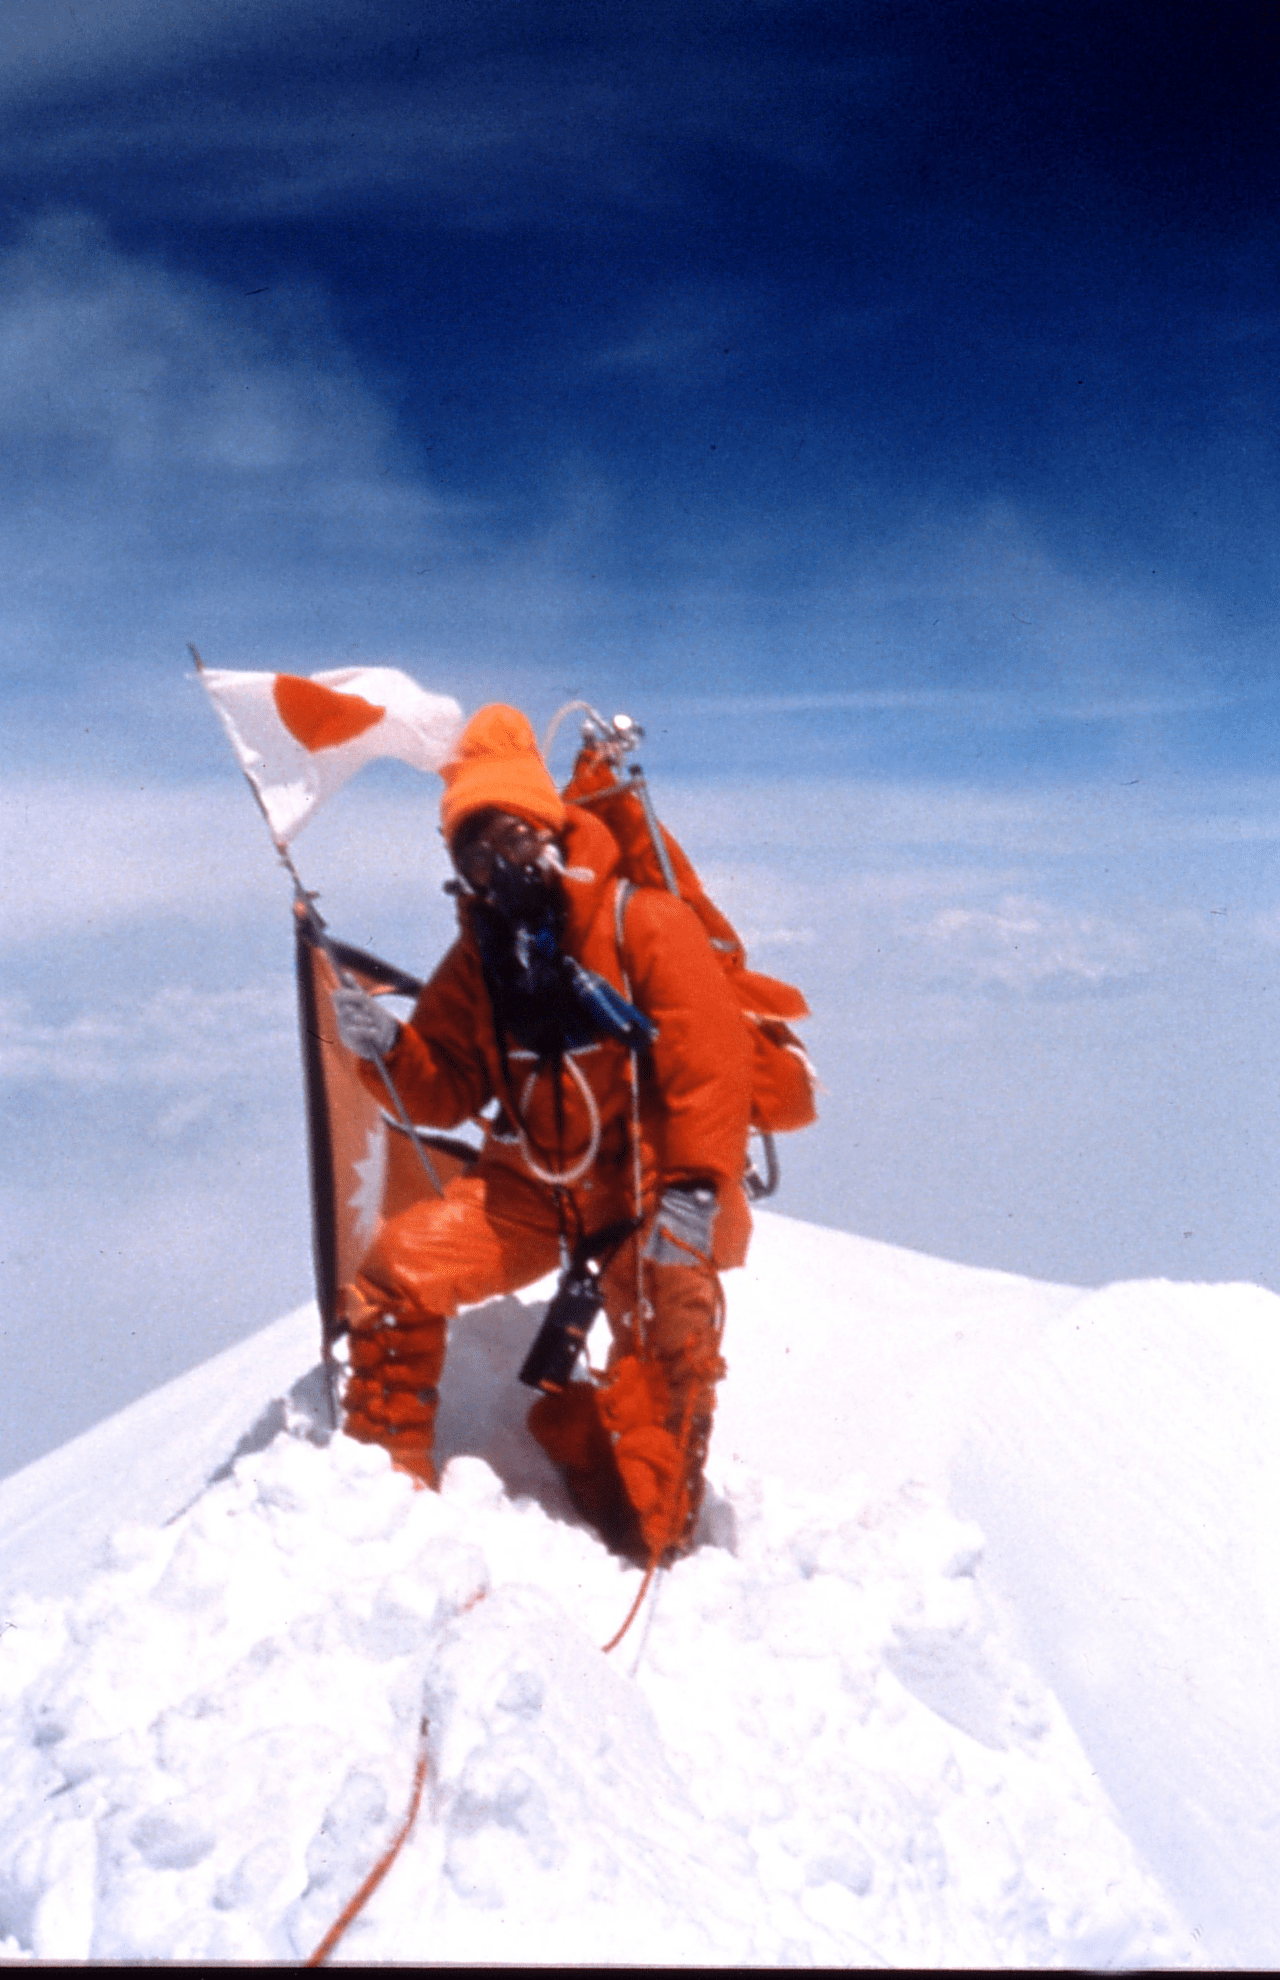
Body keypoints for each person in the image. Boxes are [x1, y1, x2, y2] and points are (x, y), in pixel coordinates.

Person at [330, 703, 753, 1565]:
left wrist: (695, 1194)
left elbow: (710, 1069)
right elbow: (447, 1085)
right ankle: (382, 1480)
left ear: (551, 827)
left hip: (646, 1197)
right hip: (529, 1194)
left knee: (675, 1335)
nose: (499, 866)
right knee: (398, 1272)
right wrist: (389, 1054)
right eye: (475, 853)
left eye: (513, 838)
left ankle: (657, 1518)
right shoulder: (479, 963)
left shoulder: (643, 925)